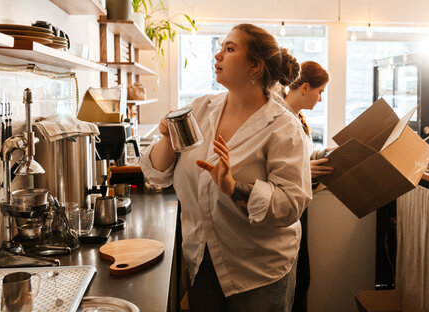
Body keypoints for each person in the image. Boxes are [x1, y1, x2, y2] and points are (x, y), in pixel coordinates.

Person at [140, 23, 313, 312]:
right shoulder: (201, 109)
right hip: (200, 261)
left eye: (230, 49)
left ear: (254, 66)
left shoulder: (284, 128)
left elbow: (292, 204)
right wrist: (168, 137)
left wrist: (235, 188)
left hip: (257, 272)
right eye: (221, 48)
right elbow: (156, 174)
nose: (218, 56)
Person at [280, 61, 333, 312]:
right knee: (297, 281)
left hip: (301, 210)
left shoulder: (298, 119)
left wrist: (326, 155)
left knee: (303, 278)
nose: (320, 99)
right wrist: (302, 169)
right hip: (286, 212)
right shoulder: (280, 119)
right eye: (319, 92)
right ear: (304, 87)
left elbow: (299, 157)